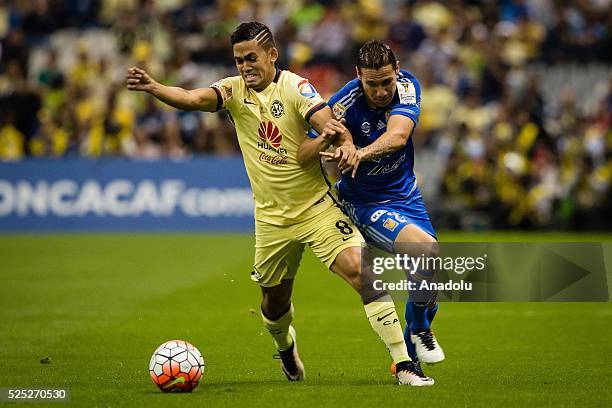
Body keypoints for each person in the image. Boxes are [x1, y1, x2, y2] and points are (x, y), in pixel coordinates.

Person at [126, 22, 433, 386]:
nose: (244, 66)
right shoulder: (232, 90)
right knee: (273, 304)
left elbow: (328, 121)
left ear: (272, 55)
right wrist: (154, 87)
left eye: (251, 57)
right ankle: (286, 348)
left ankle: (404, 364)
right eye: (239, 59)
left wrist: (344, 141)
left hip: (317, 208)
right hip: (271, 220)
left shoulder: (296, 87)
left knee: (363, 272)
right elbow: (192, 99)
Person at [298, 39, 445, 367]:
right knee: (425, 251)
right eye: (372, 84)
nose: (381, 91)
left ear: (396, 71)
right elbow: (305, 152)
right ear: (358, 76)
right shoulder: (342, 103)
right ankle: (419, 331)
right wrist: (332, 144)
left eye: (386, 82)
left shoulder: (408, 86)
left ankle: (407, 356)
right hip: (364, 203)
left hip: (406, 195)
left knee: (429, 272)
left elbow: (398, 137)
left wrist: (358, 153)